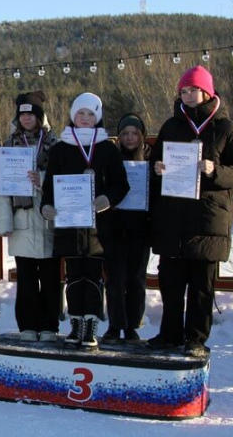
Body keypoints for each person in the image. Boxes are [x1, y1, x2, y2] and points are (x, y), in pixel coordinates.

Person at [148, 65, 233, 357]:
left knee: (201, 287)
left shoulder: (226, 129)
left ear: (206, 91)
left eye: (192, 90)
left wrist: (215, 171)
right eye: (183, 90)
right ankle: (169, 335)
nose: (187, 95)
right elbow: (154, 163)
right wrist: (156, 170)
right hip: (172, 219)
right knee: (170, 284)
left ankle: (195, 339)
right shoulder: (171, 126)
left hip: (207, 220)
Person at [41, 93, 130, 349]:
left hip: (98, 228)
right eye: (81, 113)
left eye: (91, 114)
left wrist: (108, 199)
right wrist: (46, 206)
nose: (85, 119)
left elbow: (121, 184)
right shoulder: (60, 149)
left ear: (98, 118)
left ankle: (90, 325)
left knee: (93, 277)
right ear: (73, 116)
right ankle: (75, 324)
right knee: (73, 277)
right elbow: (49, 185)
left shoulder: (107, 148)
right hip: (69, 226)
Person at [0, 91, 60, 341]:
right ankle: (28, 326)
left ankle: (49, 326)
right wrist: (5, 222)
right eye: (22, 114)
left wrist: (42, 179)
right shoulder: (10, 144)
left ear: (39, 116)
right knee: (26, 278)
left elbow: (63, 181)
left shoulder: (55, 144)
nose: (26, 118)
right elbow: (3, 187)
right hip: (21, 220)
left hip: (48, 220)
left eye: (31, 113)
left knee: (51, 278)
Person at [101, 113, 151, 344]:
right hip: (115, 228)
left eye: (134, 133)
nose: (130, 138)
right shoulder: (112, 157)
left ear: (142, 135)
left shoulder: (152, 158)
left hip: (141, 229)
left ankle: (132, 325)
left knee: (136, 280)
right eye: (125, 133)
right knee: (115, 280)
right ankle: (115, 325)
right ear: (119, 136)